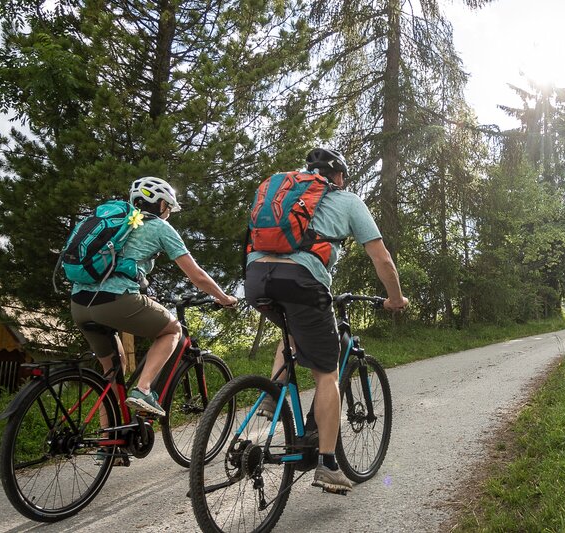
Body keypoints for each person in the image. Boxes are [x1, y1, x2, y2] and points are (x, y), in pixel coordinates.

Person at [244, 148, 408, 494]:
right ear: (338, 177)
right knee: (327, 373)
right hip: (302, 281)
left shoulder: (282, 194)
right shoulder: (347, 200)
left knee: (291, 331)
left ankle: (272, 396)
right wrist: (395, 297)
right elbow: (382, 257)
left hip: (257, 278)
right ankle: (328, 464)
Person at [70, 177, 238, 417]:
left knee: (112, 376)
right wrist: (223, 297)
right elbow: (196, 275)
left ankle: (111, 446)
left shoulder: (118, 224)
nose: (168, 212)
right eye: (168, 207)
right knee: (172, 330)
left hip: (79, 304)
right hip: (114, 301)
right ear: (160, 205)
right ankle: (143, 389)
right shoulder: (159, 227)